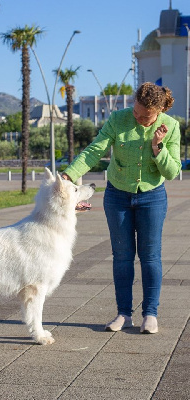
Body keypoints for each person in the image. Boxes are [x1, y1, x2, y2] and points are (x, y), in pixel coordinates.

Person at [62, 82, 181, 334]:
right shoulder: (118, 119)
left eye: (144, 116)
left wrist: (158, 146)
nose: (137, 118)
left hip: (152, 197)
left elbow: (172, 172)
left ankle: (150, 314)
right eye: (136, 112)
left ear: (158, 111)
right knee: (122, 257)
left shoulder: (170, 127)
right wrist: (69, 176)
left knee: (150, 257)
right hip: (117, 195)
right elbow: (95, 151)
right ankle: (124, 314)